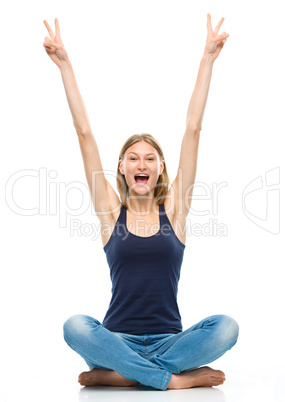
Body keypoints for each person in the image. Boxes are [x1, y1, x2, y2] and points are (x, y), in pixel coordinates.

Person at [43, 14, 239, 391]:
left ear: (160, 167)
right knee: (75, 326)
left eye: (150, 157)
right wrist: (65, 65)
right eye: (133, 157)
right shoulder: (110, 213)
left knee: (227, 327)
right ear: (122, 167)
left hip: (171, 340)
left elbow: (193, 131)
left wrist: (207, 60)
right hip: (115, 340)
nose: (142, 163)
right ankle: (171, 381)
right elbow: (84, 134)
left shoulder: (176, 213)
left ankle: (121, 377)